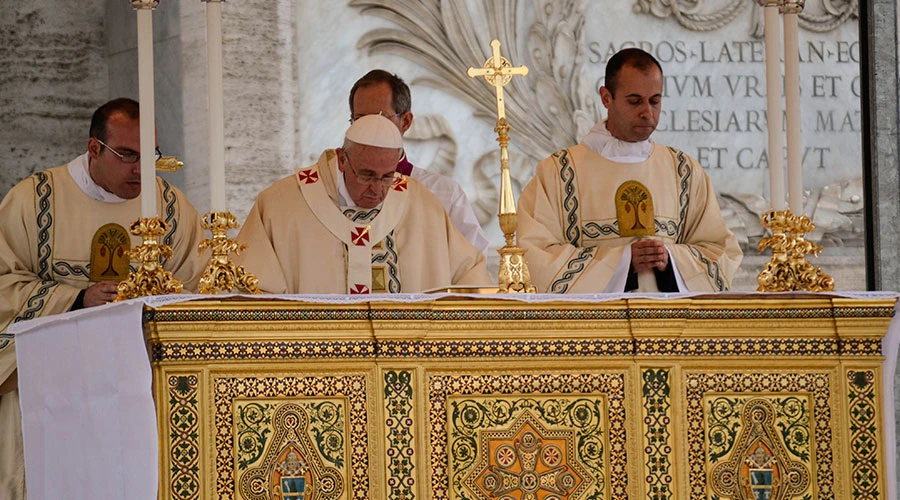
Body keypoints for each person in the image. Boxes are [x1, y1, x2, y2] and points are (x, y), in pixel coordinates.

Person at [0, 98, 206, 499]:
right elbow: (3, 280)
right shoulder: (35, 200)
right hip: (48, 390)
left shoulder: (170, 208)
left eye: (151, 156)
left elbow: (196, 291)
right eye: (128, 155)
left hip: (134, 393)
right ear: (94, 149)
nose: (140, 169)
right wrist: (76, 300)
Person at [517, 48, 742, 293]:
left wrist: (670, 260)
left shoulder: (684, 171)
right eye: (634, 101)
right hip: (594, 328)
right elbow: (535, 256)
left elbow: (721, 251)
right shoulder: (559, 173)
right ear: (606, 98)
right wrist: (623, 262)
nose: (647, 112)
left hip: (669, 326)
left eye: (655, 101)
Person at [235, 114, 490, 293]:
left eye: (387, 176)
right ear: (342, 160)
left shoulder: (421, 205)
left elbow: (469, 275)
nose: (377, 189)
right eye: (367, 175)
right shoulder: (282, 205)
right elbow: (249, 288)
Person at [349, 69, 490, 255]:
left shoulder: (444, 194)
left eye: (380, 118)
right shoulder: (332, 189)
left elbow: (473, 265)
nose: (369, 128)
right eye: (360, 119)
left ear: (405, 122)